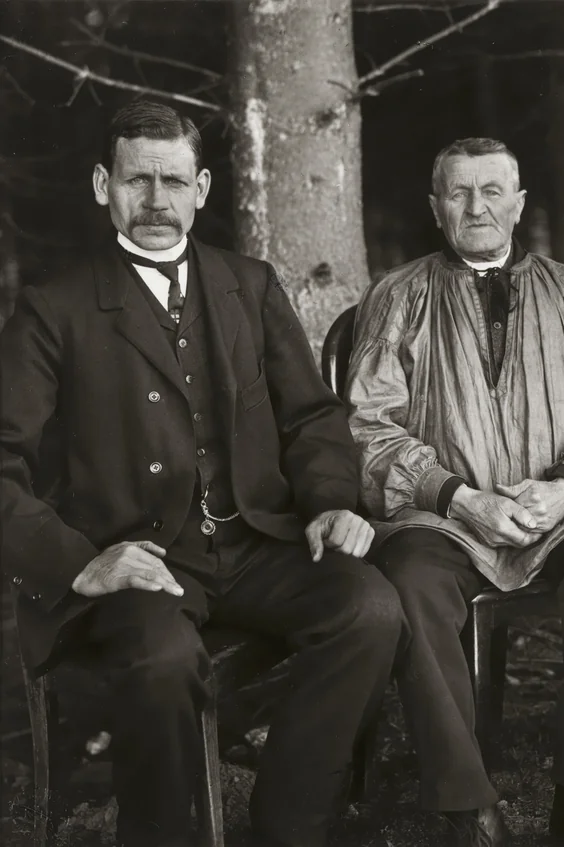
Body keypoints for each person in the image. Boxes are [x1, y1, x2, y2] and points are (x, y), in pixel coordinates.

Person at [0, 101, 405, 847]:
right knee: (161, 657)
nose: (157, 201)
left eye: (174, 182)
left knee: (370, 608)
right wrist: (81, 563)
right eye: (137, 180)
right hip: (140, 558)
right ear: (102, 185)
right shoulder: (53, 309)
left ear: (204, 188)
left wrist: (327, 502)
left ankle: (291, 823)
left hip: (254, 542)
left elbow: (312, 417)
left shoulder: (248, 284)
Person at [345, 137, 564, 847]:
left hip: (563, 506)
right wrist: (457, 495)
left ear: (518, 204)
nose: (476, 206)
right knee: (411, 577)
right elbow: (367, 427)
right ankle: (467, 805)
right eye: (459, 193)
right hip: (446, 512)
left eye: (493, 191)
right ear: (436, 208)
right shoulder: (399, 294)